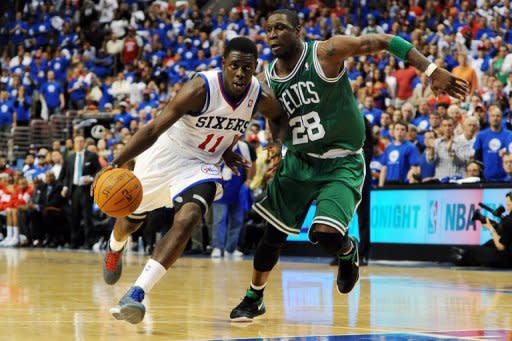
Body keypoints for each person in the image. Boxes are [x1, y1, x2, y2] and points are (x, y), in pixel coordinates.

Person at [230, 9, 469, 322]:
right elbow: (275, 118)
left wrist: (431, 69)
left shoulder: (327, 52)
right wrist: (275, 145)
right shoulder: (266, 80)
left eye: (280, 27)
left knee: (325, 235)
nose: (272, 34)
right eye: (268, 29)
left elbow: (386, 40)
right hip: (299, 163)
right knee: (271, 236)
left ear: (299, 29)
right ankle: (254, 297)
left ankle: (347, 250)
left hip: (341, 162)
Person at [94, 37, 285, 324]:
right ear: (223, 65)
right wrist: (114, 163)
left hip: (202, 166)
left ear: (256, 67)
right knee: (130, 219)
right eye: (234, 65)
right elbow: (153, 129)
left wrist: (273, 145)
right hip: (166, 154)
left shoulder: (258, 94)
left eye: (248, 67)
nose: (241, 73)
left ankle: (136, 294)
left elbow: (279, 117)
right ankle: (115, 246)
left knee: (190, 217)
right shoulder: (200, 88)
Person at [450, 192, 512, 268]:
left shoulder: (509, 221)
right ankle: (465, 254)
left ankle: (463, 257)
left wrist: (491, 229)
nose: (507, 208)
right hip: (507, 255)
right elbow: (506, 237)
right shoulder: (508, 220)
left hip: (507, 259)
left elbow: (501, 247)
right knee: (490, 243)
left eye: (508, 205)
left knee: (475, 251)